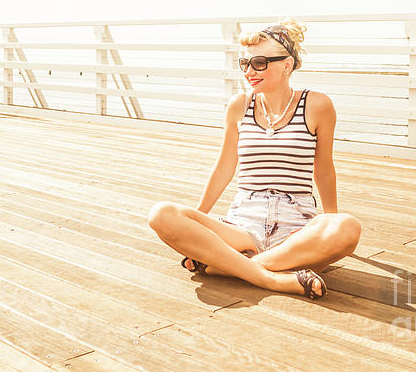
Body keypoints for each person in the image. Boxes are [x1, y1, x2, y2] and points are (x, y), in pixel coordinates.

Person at [148, 20, 361, 299]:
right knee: (162, 214)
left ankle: (226, 266)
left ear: (287, 65)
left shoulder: (317, 105)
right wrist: (199, 218)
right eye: (245, 63)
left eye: (259, 63)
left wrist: (329, 224)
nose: (249, 71)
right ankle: (272, 279)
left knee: (347, 227)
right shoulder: (240, 105)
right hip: (243, 224)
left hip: (295, 226)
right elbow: (225, 166)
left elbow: (324, 169)